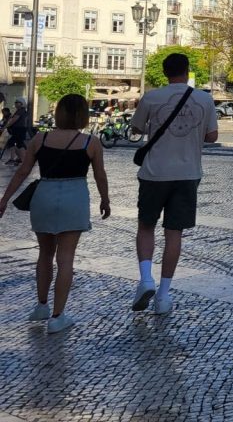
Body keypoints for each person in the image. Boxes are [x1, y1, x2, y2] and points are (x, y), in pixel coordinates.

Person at [0, 94, 110, 334]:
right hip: (74, 196)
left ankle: (41, 305)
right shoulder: (90, 142)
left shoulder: (41, 138)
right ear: (82, 114)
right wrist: (105, 199)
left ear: (59, 112)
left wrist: (5, 199)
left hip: (44, 195)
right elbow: (100, 175)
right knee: (66, 259)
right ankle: (58, 316)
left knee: (44, 254)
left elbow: (22, 172)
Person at [130, 53, 218, 315]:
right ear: (187, 70)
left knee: (146, 226)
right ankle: (164, 295)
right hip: (188, 173)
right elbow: (212, 136)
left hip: (154, 173)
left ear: (165, 72)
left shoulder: (151, 97)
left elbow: (135, 129)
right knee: (174, 234)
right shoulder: (204, 98)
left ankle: (146, 278)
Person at [5, 98, 30, 165]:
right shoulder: (20, 110)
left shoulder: (20, 110)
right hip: (19, 129)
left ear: (22, 103)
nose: (15, 103)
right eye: (15, 102)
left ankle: (17, 159)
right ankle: (19, 158)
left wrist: (6, 126)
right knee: (19, 144)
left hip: (19, 129)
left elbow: (14, 120)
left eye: (17, 102)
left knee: (13, 143)